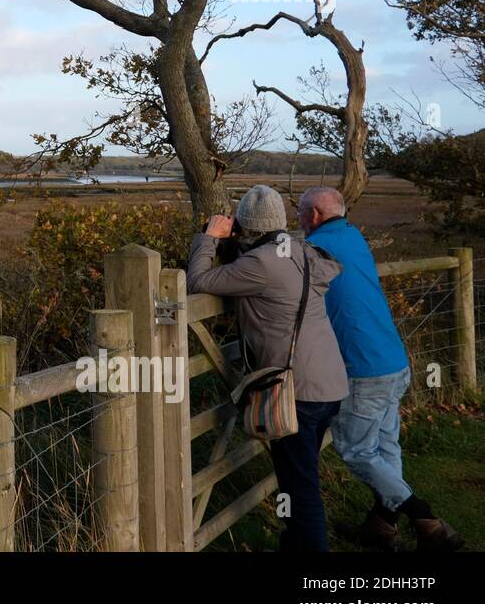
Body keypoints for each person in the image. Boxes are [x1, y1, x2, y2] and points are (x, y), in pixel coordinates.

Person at [299, 185, 465, 551]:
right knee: (386, 448)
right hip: (394, 362)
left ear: (313, 216)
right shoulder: (353, 237)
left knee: (356, 450)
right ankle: (381, 527)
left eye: (299, 213)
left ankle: (428, 520)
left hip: (362, 370)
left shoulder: (312, 251)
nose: (298, 220)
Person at [187, 184, 349, 551]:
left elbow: (197, 281)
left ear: (246, 224)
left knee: (300, 489)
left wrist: (209, 238)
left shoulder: (259, 263)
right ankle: (295, 543)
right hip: (330, 383)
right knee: (300, 477)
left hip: (297, 392)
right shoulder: (303, 251)